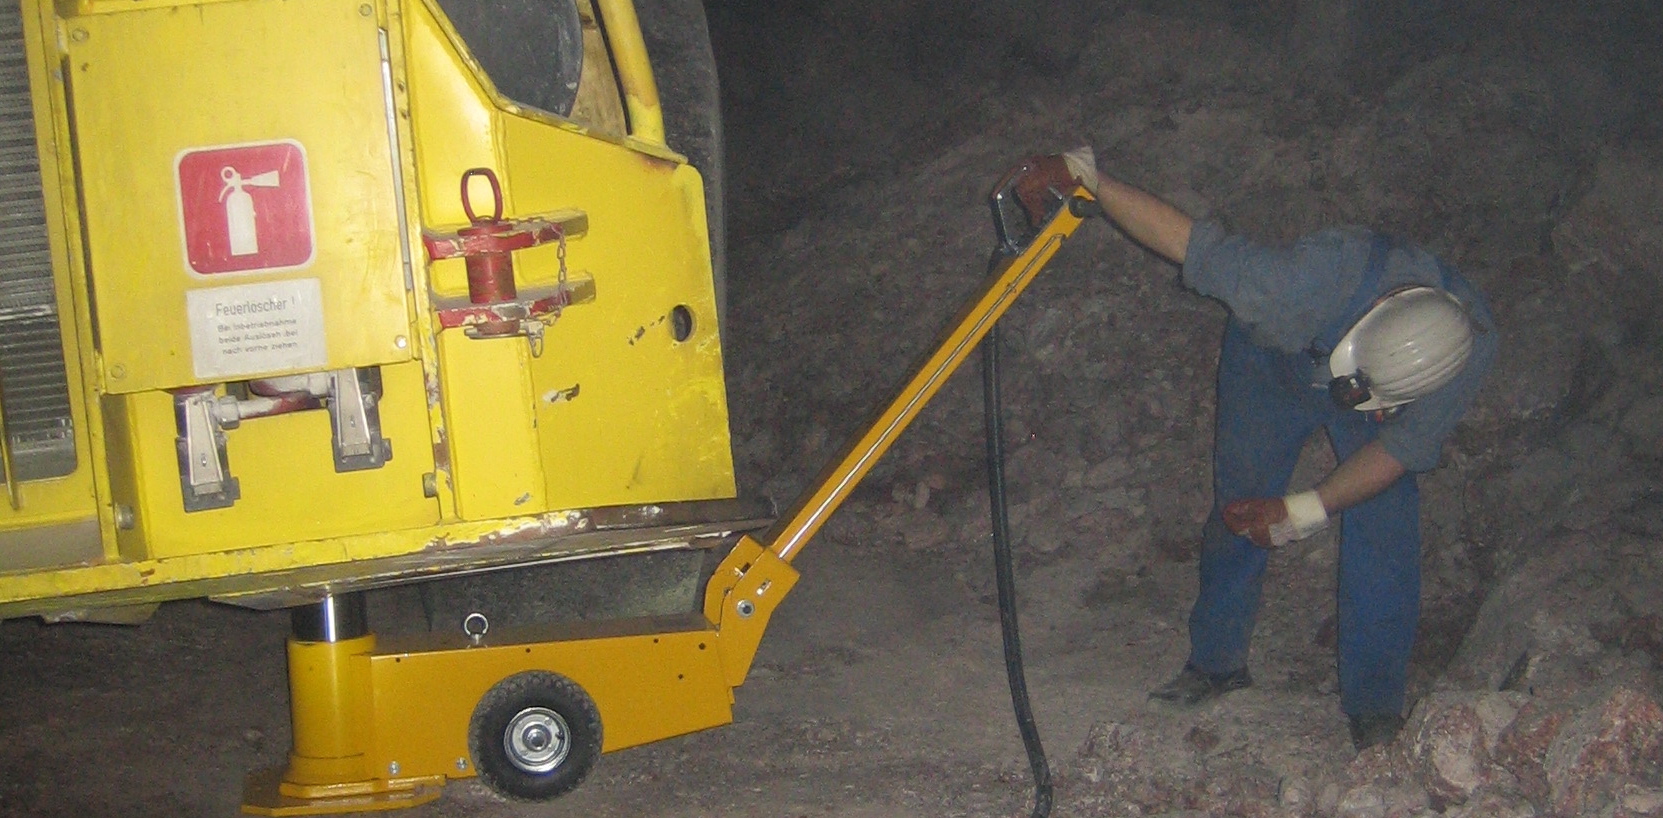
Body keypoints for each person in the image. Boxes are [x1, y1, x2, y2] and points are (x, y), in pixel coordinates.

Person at [1023, 149, 1498, 750]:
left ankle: (1376, 703)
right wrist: (1089, 176)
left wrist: (1305, 510)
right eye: (1362, 397)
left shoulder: (1464, 351)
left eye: (1378, 408)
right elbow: (1191, 246)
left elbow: (1397, 449)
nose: (1369, 416)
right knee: (1242, 501)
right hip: (1273, 362)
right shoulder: (1300, 286)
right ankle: (1217, 663)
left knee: (1385, 519)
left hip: (1382, 371)